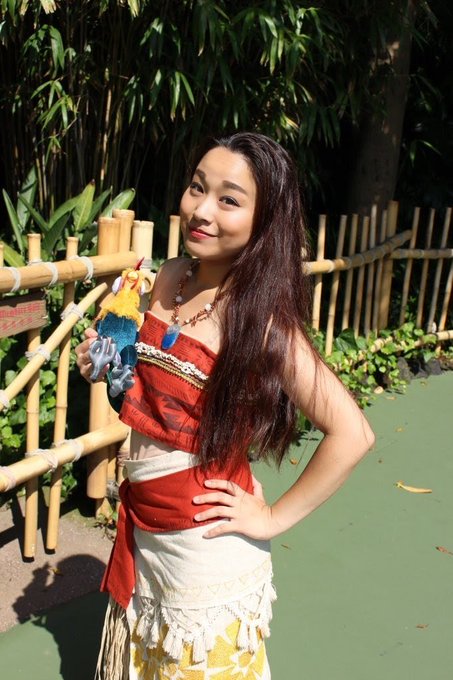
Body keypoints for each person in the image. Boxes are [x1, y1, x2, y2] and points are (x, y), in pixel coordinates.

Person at [76, 132, 375, 679]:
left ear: (265, 221)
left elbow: (353, 433)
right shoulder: (169, 277)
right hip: (145, 525)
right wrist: (104, 363)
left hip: (204, 550)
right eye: (197, 187)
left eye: (229, 199)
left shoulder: (260, 321)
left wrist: (273, 517)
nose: (202, 210)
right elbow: (153, 401)